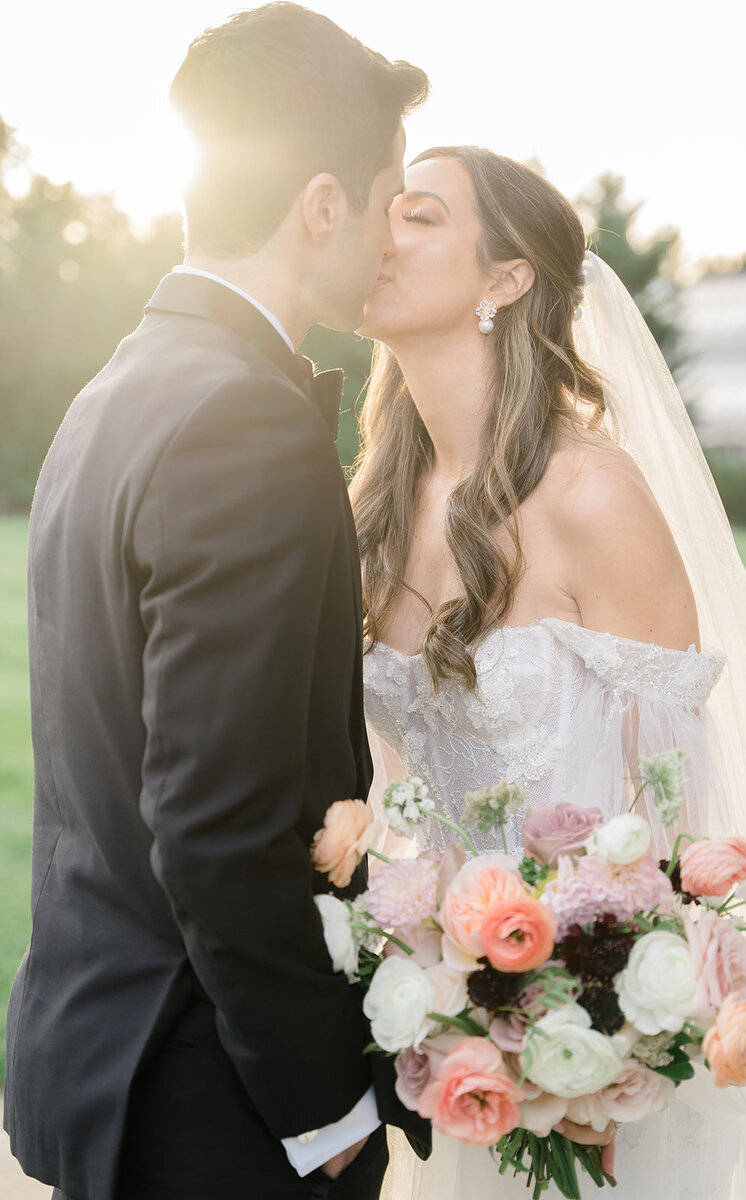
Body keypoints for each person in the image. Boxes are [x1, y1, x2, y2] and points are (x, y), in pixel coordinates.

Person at [3, 6, 430, 1199]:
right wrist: (323, 1113)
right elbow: (213, 821)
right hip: (207, 1104)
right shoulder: (241, 419)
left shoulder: (120, 385)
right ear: (320, 206)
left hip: (98, 1055)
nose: (389, 238)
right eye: (388, 201)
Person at [352, 145, 746, 1198]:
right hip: (450, 1030)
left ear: (506, 280)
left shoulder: (590, 495)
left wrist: (599, 1040)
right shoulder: (372, 508)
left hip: (598, 1041)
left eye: (417, 217)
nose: (381, 236)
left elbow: (681, 822)